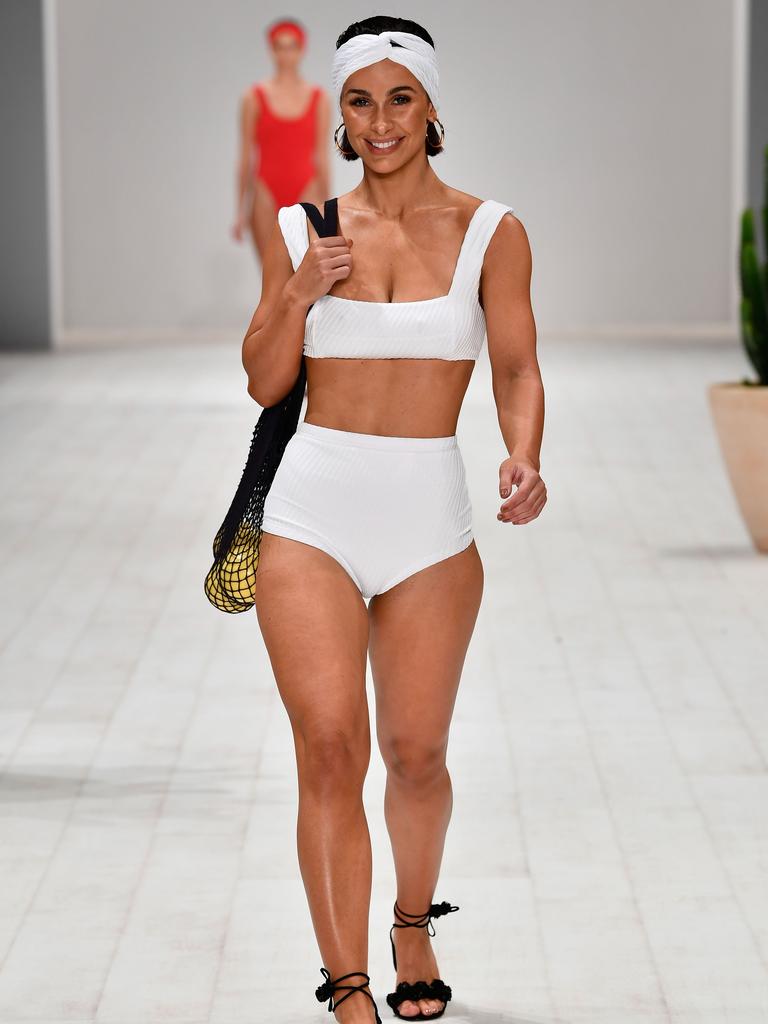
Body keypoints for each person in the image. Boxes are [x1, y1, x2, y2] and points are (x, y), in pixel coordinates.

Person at [241, 14, 545, 1023]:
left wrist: (523, 454)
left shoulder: (491, 230)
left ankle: (411, 920)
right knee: (330, 748)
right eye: (361, 101)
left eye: (400, 98)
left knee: (416, 757)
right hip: (311, 514)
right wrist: (296, 293)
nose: (381, 122)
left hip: (431, 522)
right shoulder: (304, 227)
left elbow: (514, 366)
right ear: (342, 111)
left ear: (432, 106)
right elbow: (264, 379)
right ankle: (349, 980)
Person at [232, 17, 331, 261]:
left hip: (307, 188)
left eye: (292, 46)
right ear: (271, 50)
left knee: (308, 272)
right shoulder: (253, 98)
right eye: (280, 46)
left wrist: (331, 212)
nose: (286, 54)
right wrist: (239, 211)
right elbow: (245, 157)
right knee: (271, 275)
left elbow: (323, 157)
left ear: (302, 50)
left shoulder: (320, 99)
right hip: (265, 191)